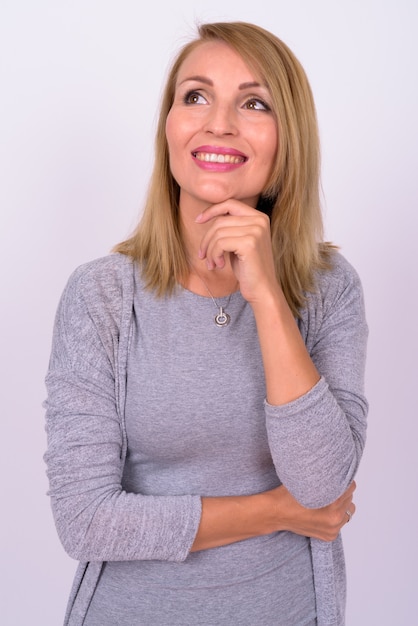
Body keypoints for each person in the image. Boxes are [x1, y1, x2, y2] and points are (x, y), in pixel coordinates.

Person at [44, 21, 368, 626]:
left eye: (253, 102)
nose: (218, 122)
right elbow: (86, 521)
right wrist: (276, 510)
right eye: (195, 96)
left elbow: (323, 486)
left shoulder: (328, 289)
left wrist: (267, 295)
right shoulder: (102, 296)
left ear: (286, 139)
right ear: (169, 127)